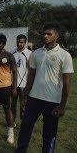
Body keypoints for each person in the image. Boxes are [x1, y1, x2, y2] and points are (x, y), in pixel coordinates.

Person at [16, 23, 74, 153]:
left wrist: (62, 106)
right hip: (34, 99)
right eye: (44, 33)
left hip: (52, 102)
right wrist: (25, 96)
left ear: (56, 36)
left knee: (49, 134)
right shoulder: (36, 53)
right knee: (25, 128)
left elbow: (67, 82)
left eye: (49, 34)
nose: (45, 36)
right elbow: (31, 76)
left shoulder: (64, 55)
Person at [11, 34, 32, 125]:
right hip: (13, 84)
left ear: (25, 43)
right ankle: (12, 121)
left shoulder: (30, 54)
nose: (19, 44)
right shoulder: (12, 52)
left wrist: (29, 84)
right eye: (18, 42)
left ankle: (23, 123)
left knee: (23, 106)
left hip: (24, 84)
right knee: (12, 105)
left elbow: (31, 70)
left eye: (21, 42)